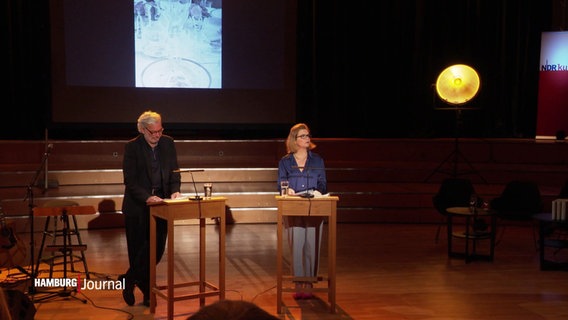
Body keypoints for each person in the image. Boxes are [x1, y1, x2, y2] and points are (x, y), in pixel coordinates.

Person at [120, 110, 182, 307]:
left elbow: (175, 171)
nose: (157, 135)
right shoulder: (132, 147)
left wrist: (175, 191)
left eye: (159, 131)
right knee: (139, 251)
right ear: (142, 129)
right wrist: (147, 197)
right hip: (138, 207)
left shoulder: (168, 143)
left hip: (162, 205)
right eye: (153, 132)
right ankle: (147, 293)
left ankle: (128, 279)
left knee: (156, 250)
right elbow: (130, 181)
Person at [277, 123, 327, 300]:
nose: (307, 138)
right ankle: (299, 283)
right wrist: (288, 190)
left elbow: (322, 183)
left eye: (308, 135)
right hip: (293, 207)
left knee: (312, 245)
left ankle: (309, 283)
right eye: (303, 136)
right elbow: (281, 183)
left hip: (314, 206)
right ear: (294, 140)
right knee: (297, 245)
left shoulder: (317, 160)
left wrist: (318, 192)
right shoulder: (285, 161)